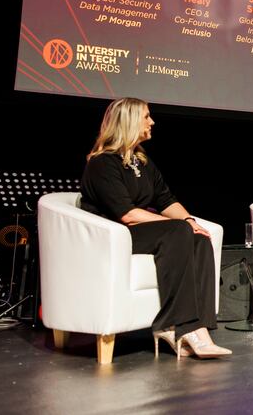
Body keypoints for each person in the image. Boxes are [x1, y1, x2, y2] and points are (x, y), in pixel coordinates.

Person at [80, 98, 231, 359]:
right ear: (128, 121)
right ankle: (179, 326)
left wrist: (190, 221)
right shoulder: (102, 163)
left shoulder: (142, 161)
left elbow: (166, 201)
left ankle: (200, 329)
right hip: (115, 235)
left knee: (199, 237)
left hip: (140, 231)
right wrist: (180, 225)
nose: (152, 122)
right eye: (146, 116)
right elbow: (127, 214)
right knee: (178, 231)